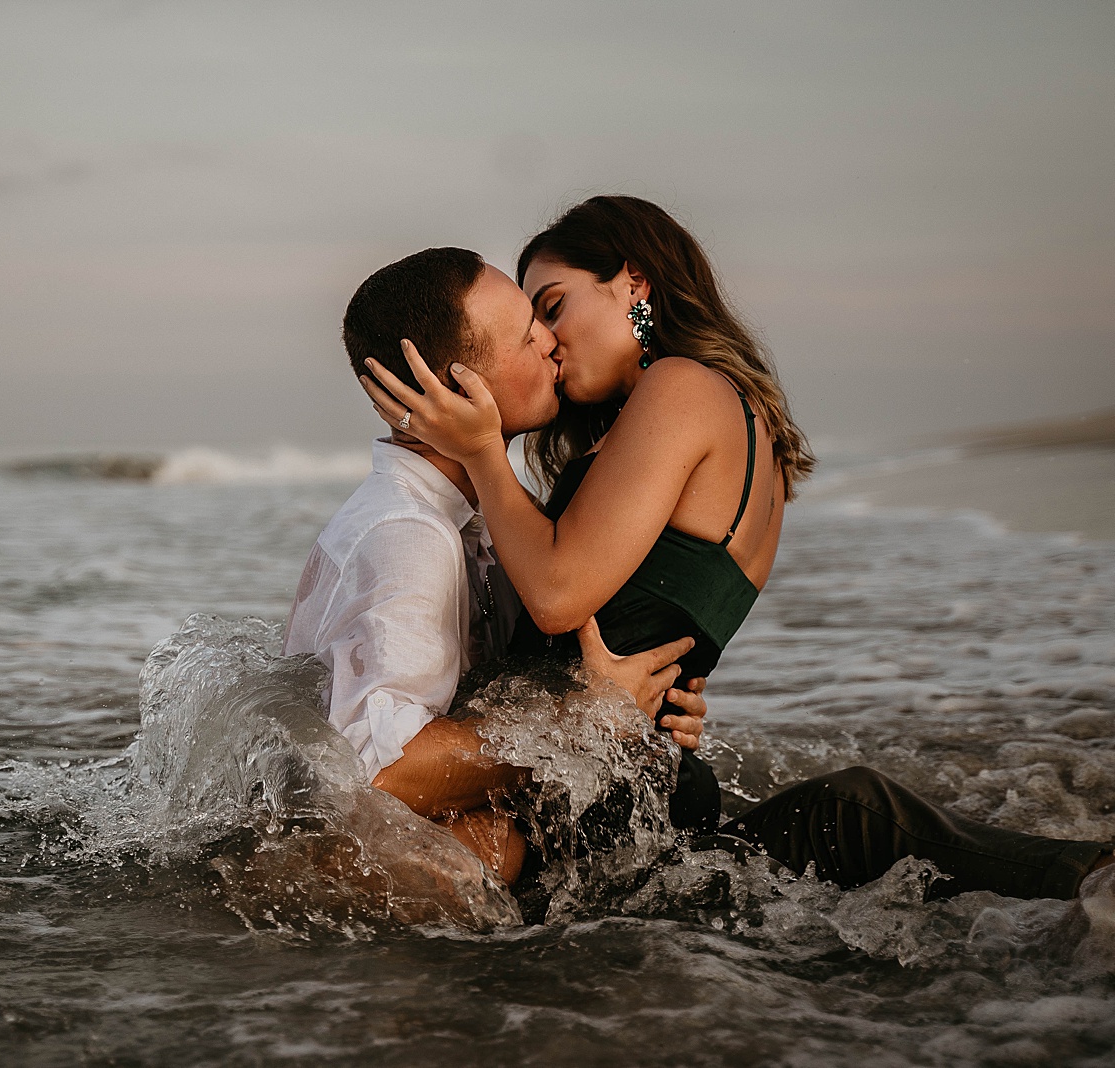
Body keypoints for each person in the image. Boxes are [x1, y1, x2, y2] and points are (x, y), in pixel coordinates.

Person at [359, 197, 1112, 900]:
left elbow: (558, 596)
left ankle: (1090, 877)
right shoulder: (703, 414)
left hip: (598, 807)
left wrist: (486, 452)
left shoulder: (682, 386)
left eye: (553, 309)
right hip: (621, 784)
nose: (547, 341)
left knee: (858, 820)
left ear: (634, 284)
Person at [283, 247, 710, 885]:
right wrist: (582, 724)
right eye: (524, 334)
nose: (549, 340)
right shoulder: (408, 534)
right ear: (455, 389)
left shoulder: (481, 516)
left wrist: (646, 709)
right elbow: (381, 772)